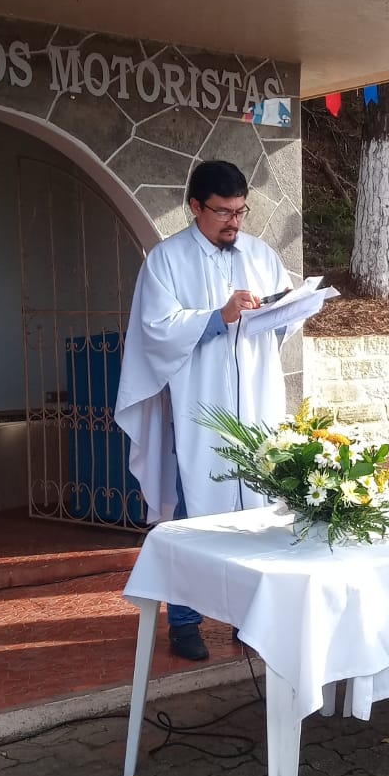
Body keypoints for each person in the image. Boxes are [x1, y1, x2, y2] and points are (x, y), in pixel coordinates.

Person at [115, 160, 293, 660]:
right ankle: (185, 621)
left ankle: (249, 618)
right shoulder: (167, 260)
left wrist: (285, 309)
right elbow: (155, 328)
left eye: (240, 212)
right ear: (195, 206)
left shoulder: (260, 254)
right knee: (194, 513)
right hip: (198, 411)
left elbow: (281, 325)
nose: (234, 222)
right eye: (223, 213)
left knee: (258, 512)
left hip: (255, 403)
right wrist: (218, 317)